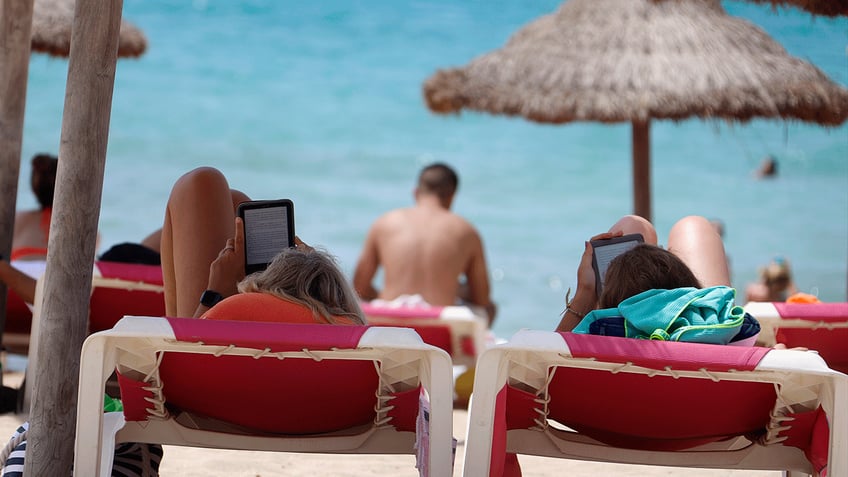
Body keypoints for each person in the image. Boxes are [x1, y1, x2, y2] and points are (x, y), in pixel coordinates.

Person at [160, 166, 365, 325]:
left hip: (215, 366)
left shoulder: (230, 310)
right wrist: (314, 277)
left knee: (203, 182)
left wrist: (215, 293)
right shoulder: (350, 329)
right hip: (298, 343)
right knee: (233, 201)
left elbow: (186, 356)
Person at [353, 163, 496, 324]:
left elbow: (359, 287)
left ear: (416, 192)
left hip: (390, 321)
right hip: (438, 328)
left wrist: (388, 297)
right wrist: (456, 289)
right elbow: (482, 299)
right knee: (491, 308)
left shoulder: (385, 222)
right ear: (452, 196)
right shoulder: (466, 230)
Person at [556, 215, 738, 335]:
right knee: (693, 225)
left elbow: (541, 374)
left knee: (633, 225)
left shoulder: (597, 332)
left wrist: (586, 294)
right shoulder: (716, 327)